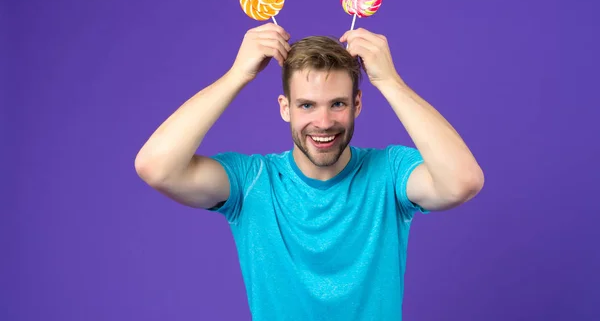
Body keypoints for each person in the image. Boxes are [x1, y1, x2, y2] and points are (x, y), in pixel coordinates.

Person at [134, 23, 485, 320]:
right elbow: (156, 167)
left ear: (357, 105)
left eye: (338, 104)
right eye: (307, 105)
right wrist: (236, 75)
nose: (324, 122)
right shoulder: (252, 181)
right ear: (285, 108)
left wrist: (390, 82)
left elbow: (462, 182)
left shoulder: (390, 174)